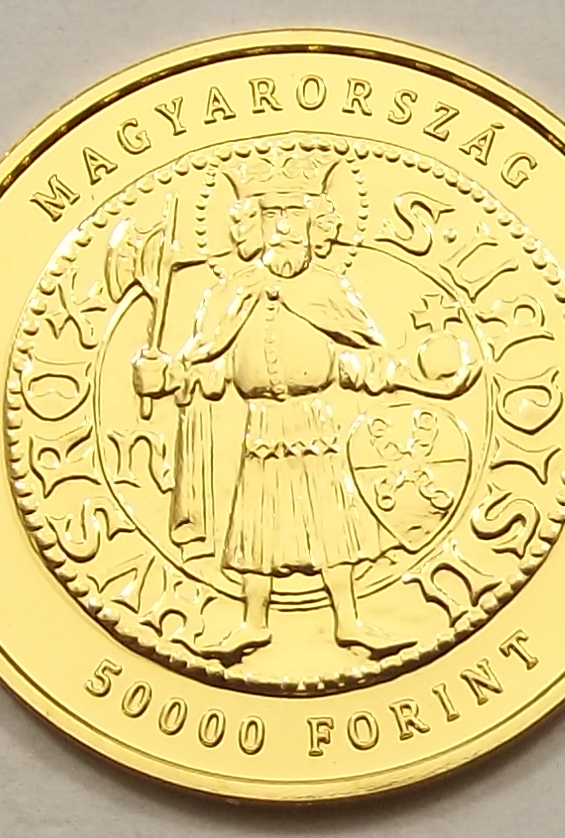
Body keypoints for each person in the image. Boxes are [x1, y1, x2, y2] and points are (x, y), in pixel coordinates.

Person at [133, 150, 480, 661]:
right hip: (260, 428)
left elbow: (357, 361)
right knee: (255, 523)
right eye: (272, 217)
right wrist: (164, 375)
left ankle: (349, 621)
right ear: (250, 226)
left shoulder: (326, 289)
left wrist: (414, 372)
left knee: (331, 519)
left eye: (296, 218)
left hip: (315, 425)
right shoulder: (231, 295)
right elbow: (213, 368)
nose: (284, 231)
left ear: (318, 225)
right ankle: (253, 624)